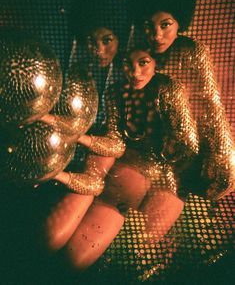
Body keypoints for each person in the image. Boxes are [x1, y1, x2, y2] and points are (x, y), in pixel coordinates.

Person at [43, 43, 199, 271]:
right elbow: (115, 143)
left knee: (129, 255)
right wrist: (78, 136)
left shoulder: (168, 89)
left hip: (162, 182)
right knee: (61, 249)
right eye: (127, 64)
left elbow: (186, 146)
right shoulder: (116, 92)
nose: (135, 72)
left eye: (143, 63)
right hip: (117, 178)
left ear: (156, 63)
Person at [128, 0, 235, 200]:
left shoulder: (192, 51)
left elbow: (211, 105)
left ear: (179, 22)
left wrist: (222, 158)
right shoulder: (139, 56)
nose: (157, 35)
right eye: (149, 26)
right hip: (154, 152)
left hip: (197, 150)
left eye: (165, 25)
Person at [41, 0, 127, 252]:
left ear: (120, 38)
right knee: (50, 237)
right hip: (70, 159)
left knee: (68, 247)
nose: (99, 50)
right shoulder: (73, 73)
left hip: (108, 166)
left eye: (107, 40)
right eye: (91, 41)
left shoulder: (130, 75)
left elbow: (117, 144)